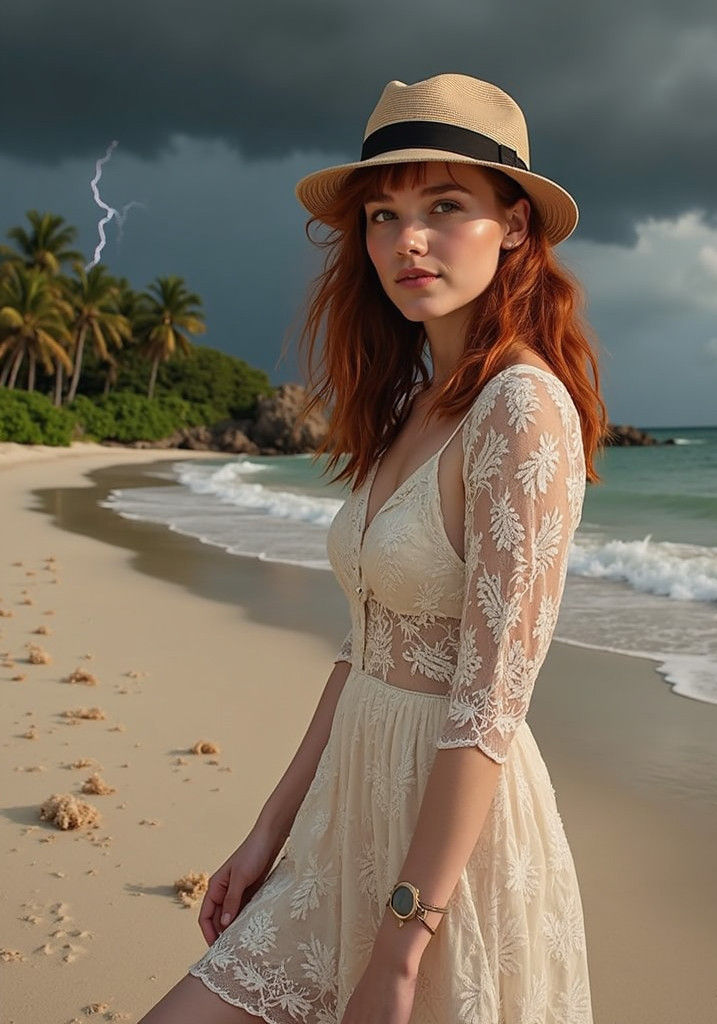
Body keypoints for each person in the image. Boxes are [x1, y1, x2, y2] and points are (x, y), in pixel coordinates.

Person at [139, 72, 608, 1024]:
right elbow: (367, 648)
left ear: (515, 226)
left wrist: (404, 944)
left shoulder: (521, 409)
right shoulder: (414, 409)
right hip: (343, 820)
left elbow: (489, 702)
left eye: (446, 206)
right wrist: (266, 834)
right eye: (385, 215)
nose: (409, 240)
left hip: (446, 856)